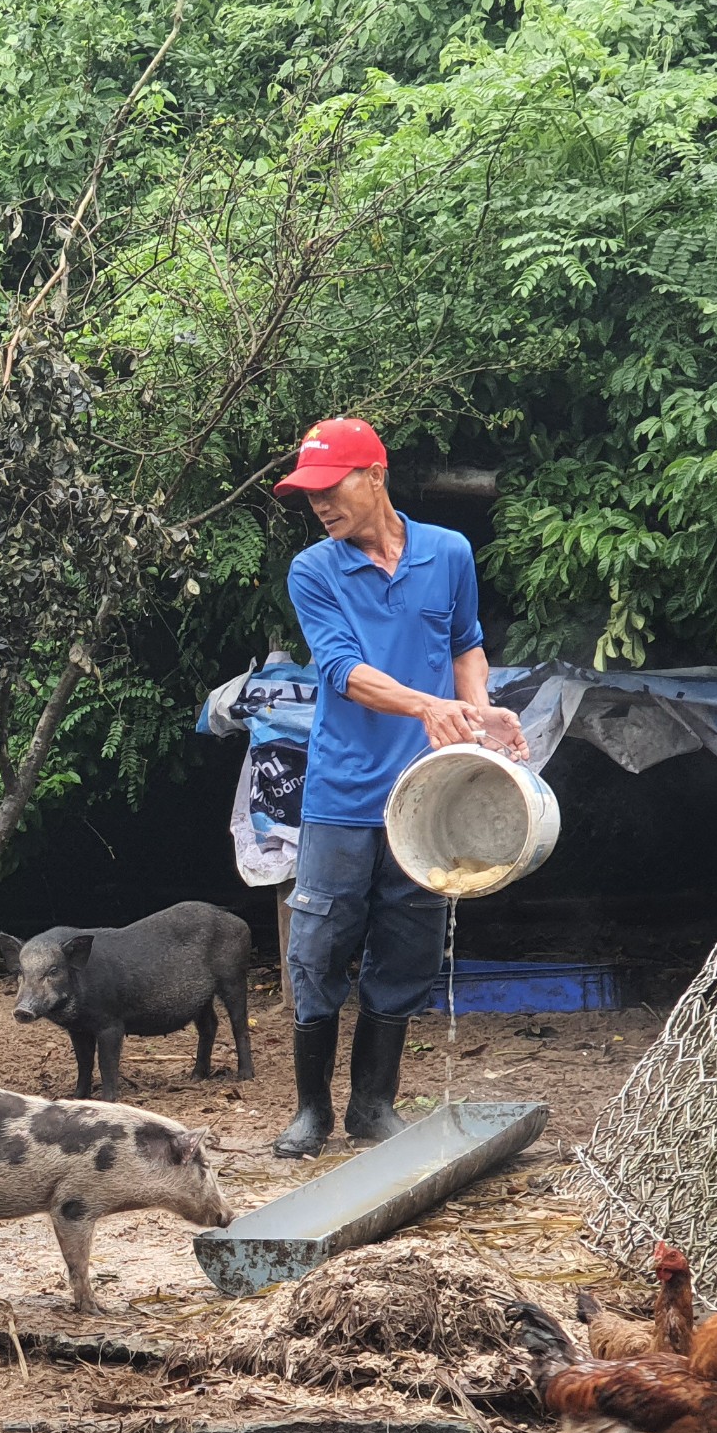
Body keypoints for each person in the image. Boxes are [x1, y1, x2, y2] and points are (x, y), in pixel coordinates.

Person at [270, 418, 528, 1159]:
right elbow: (340, 671)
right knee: (319, 946)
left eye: (330, 486)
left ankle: (373, 1107)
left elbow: (464, 645)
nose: (319, 504)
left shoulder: (447, 553)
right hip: (344, 794)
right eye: (308, 493)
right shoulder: (314, 569)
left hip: (431, 793)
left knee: (408, 944)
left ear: (375, 476)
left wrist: (478, 712)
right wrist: (426, 705)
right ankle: (310, 1111)